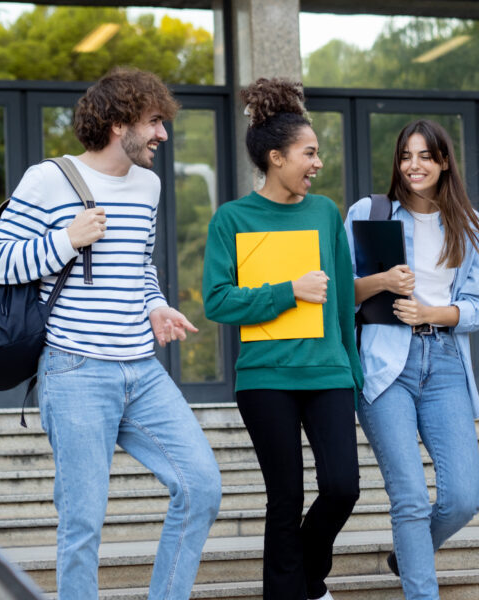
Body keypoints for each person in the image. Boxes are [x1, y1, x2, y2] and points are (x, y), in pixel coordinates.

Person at [0, 67, 222, 600]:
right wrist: (66, 240)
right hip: (76, 369)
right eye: (155, 121)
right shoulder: (47, 180)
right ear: (118, 123)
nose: (163, 134)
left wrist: (156, 306)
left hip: (143, 370)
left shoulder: (150, 185)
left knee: (202, 486)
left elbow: (141, 266)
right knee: (82, 524)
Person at [202, 77, 363, 600]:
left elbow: (340, 302)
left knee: (342, 486)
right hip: (265, 377)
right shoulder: (232, 218)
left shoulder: (324, 214)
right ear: (276, 157)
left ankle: (308, 579)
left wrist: (353, 376)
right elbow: (218, 301)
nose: (317, 163)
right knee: (285, 496)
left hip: (328, 372)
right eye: (308, 153)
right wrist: (287, 291)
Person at [344, 119, 479, 600]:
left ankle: (409, 553)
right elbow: (341, 291)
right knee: (409, 497)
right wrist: (383, 282)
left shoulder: (469, 224)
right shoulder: (371, 213)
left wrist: (436, 312)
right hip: (388, 363)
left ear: (443, 161)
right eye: (406, 156)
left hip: (446, 361)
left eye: (425, 156)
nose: (414, 165)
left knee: (462, 498)